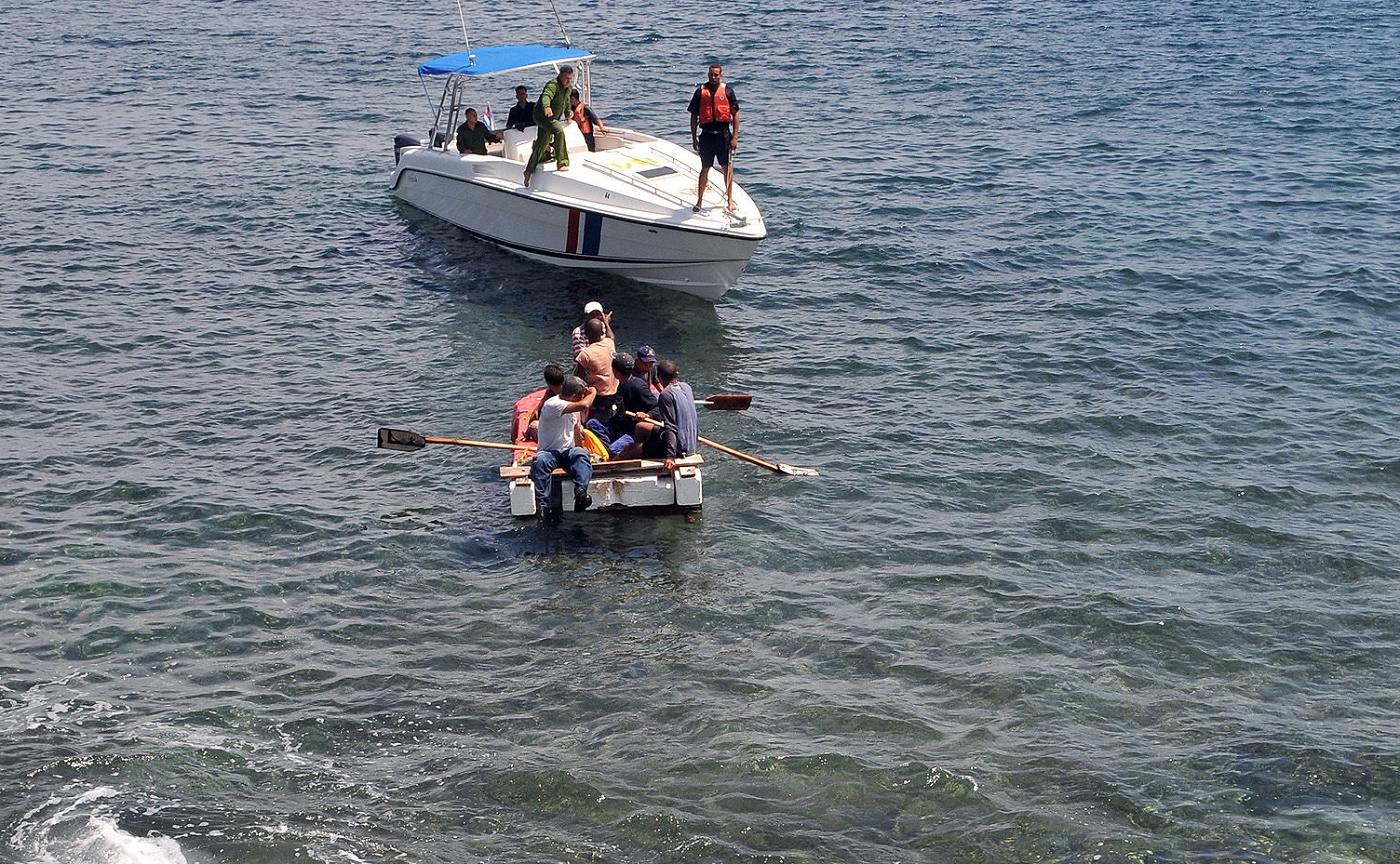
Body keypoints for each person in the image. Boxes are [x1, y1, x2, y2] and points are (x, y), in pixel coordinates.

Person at [530, 375, 597, 515]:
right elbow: (585, 404)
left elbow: (576, 429)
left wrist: (582, 450)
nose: (583, 397)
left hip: (567, 451)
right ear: (574, 395)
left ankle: (580, 493)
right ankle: (543, 505)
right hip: (549, 452)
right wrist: (593, 392)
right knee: (541, 461)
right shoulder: (553, 404)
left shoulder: (572, 409)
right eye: (581, 395)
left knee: (581, 455)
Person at [688, 63, 740, 213]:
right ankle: (699, 201)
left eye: (716, 75)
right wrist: (694, 138)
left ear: (721, 76)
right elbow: (693, 116)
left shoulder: (728, 91)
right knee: (705, 168)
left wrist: (734, 137)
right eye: (711, 74)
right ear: (708, 75)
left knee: (727, 169)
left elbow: (736, 115)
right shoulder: (700, 92)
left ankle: (729, 200)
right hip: (706, 136)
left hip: (723, 135)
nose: (713, 77)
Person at [642, 359, 699, 470]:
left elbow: (670, 426)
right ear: (676, 374)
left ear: (658, 376)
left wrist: (670, 456)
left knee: (631, 449)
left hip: (679, 449)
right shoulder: (687, 387)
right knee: (641, 427)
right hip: (691, 445)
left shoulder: (666, 394)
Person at [523, 65, 574, 188]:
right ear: (560, 76)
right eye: (566, 78)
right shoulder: (553, 85)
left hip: (552, 117)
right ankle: (562, 162)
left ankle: (528, 171)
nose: (568, 81)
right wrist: (546, 107)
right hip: (541, 116)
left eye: (570, 78)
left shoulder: (568, 88)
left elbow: (566, 101)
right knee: (559, 131)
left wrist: (568, 113)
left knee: (542, 143)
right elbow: (546, 96)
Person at [605, 352, 659, 459]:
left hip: (633, 432)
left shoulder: (638, 386)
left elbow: (658, 408)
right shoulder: (622, 384)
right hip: (621, 427)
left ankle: (618, 452)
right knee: (593, 424)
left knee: (613, 450)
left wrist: (647, 415)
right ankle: (613, 447)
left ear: (615, 372)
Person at [573, 318, 618, 420]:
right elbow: (611, 336)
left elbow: (578, 378)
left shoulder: (585, 354)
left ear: (586, 335)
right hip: (615, 392)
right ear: (602, 332)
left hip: (599, 397)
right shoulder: (609, 343)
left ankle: (585, 420)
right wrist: (606, 322)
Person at [521, 364, 566, 442]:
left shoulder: (551, 394)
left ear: (548, 382)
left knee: (533, 426)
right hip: (567, 429)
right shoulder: (570, 390)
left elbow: (537, 411)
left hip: (557, 435)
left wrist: (527, 433)